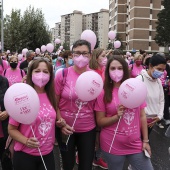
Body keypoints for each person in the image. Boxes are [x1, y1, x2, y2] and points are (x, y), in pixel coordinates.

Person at [94, 55, 153, 170]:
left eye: (120, 68)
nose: (116, 71)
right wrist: (116, 116)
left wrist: (145, 140)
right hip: (112, 144)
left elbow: (142, 116)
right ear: (108, 71)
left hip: (135, 144)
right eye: (113, 68)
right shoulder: (103, 93)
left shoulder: (135, 88)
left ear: (125, 70)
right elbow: (100, 121)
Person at [8, 58, 57, 170]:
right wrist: (26, 141)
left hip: (47, 153)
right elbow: (11, 129)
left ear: (50, 75)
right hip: (25, 155)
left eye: (45, 72)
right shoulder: (23, 96)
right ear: (30, 73)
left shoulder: (51, 95)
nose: (41, 75)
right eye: (37, 71)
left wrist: (60, 122)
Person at [55, 39, 96, 170]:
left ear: (90, 55)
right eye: (77, 53)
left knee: (86, 166)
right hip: (65, 129)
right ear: (72, 55)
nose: (81, 57)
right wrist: (60, 122)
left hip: (87, 129)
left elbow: (98, 106)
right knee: (67, 165)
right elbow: (54, 103)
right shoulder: (62, 74)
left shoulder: (95, 77)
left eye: (85, 53)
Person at [89, 48, 108, 169]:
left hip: (103, 106)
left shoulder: (106, 71)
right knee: (93, 135)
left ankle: (96, 157)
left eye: (106, 55)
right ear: (96, 58)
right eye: (103, 56)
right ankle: (88, 156)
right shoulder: (91, 73)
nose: (105, 58)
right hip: (92, 108)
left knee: (100, 134)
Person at [137, 54, 166, 134]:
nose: (161, 72)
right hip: (140, 120)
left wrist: (159, 116)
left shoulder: (158, 81)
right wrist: (145, 116)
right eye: (159, 69)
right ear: (150, 66)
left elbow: (161, 100)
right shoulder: (139, 80)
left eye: (163, 70)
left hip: (153, 121)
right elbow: (136, 102)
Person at [0, 75, 9, 170]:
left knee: (6, 161)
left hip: (4, 130)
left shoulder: (4, 81)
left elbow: (11, 101)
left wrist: (8, 111)